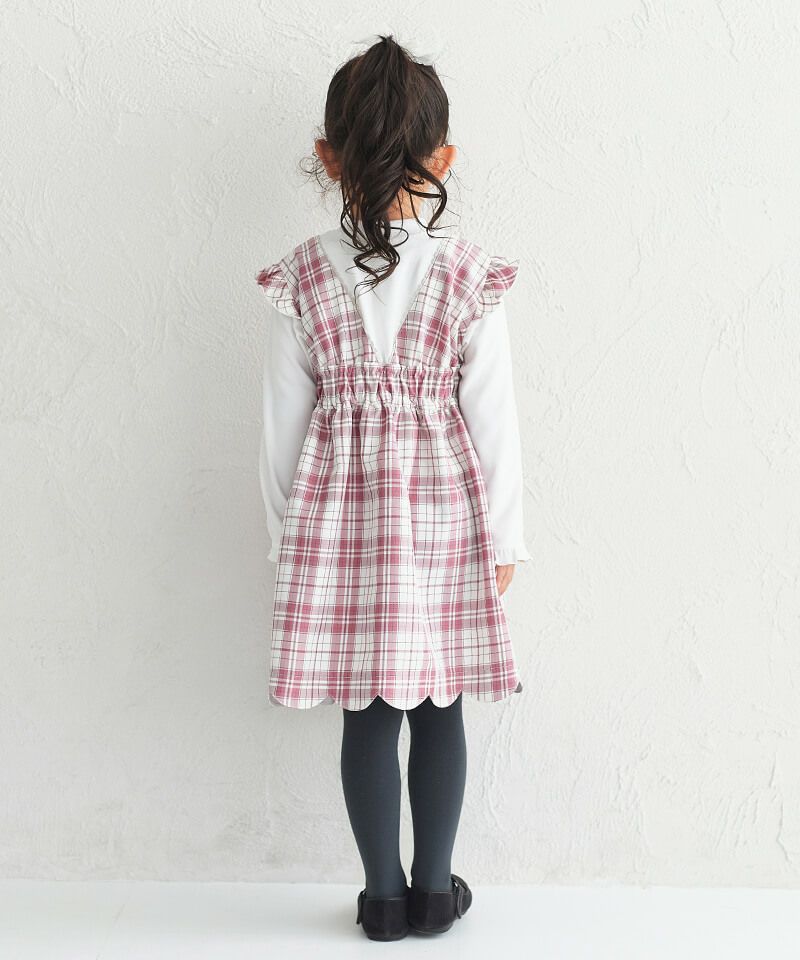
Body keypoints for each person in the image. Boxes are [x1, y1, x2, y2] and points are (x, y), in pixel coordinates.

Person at [255, 34, 531, 941]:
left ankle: (381, 899)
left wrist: (286, 540)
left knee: (369, 712)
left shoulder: (303, 276)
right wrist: (505, 539)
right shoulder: (467, 276)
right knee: (440, 703)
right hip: (448, 525)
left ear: (327, 156)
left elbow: (281, 429)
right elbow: (494, 421)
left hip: (338, 533)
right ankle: (433, 890)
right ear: (442, 160)